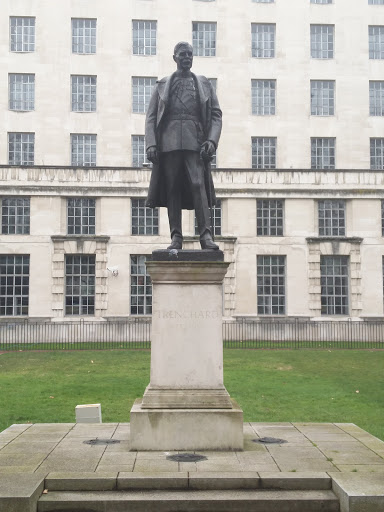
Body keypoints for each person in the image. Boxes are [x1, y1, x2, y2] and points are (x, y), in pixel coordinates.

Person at [145, 41, 222, 250]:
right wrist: (151, 144)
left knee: (198, 185)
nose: (187, 57)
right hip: (168, 143)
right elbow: (151, 117)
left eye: (190, 54)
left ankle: (205, 236)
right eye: (183, 54)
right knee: (172, 189)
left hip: (195, 141)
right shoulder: (162, 85)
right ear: (174, 58)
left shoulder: (204, 83)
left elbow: (216, 115)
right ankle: (176, 237)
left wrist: (212, 141)